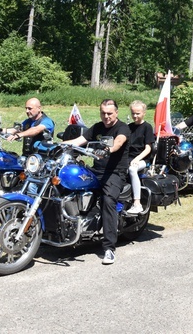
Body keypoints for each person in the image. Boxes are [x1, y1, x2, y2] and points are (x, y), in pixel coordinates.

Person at [64, 99, 130, 265]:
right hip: (97, 171)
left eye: (109, 113)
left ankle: (109, 248)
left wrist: (109, 148)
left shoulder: (123, 128)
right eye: (103, 113)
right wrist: (57, 145)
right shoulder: (97, 127)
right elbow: (79, 141)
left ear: (116, 113)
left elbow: (119, 142)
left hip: (114, 173)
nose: (106, 116)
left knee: (108, 201)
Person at [126, 101, 154, 215]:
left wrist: (137, 159)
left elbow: (148, 148)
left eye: (138, 113)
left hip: (142, 159)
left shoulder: (147, 127)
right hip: (128, 157)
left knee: (132, 169)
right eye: (133, 113)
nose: (135, 116)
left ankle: (137, 203)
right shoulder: (129, 127)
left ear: (144, 113)